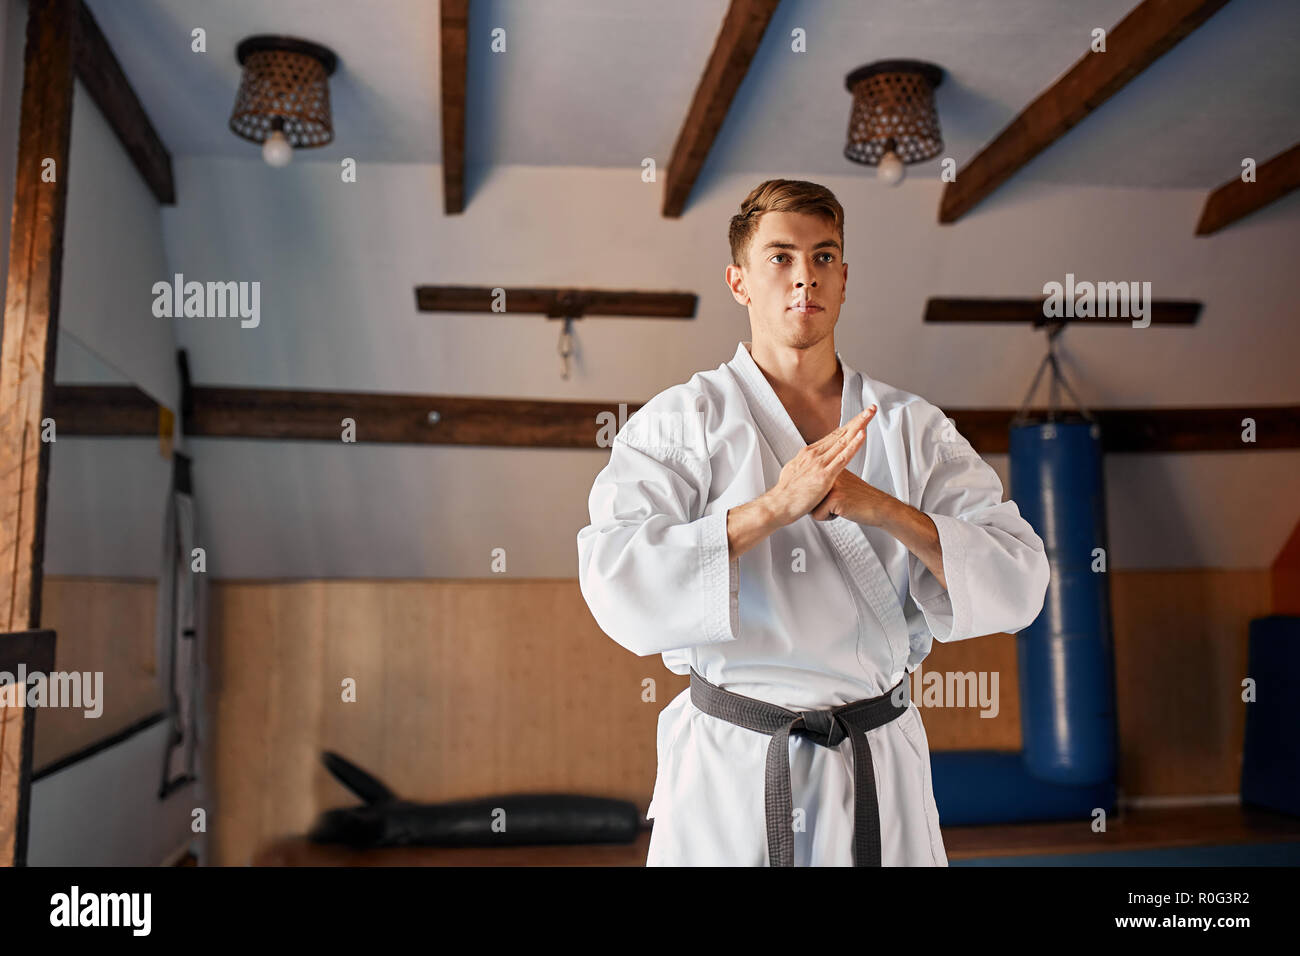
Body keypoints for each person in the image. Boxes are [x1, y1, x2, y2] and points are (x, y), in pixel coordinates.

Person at [576, 179, 1050, 866]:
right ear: (738, 280)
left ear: (846, 278)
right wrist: (773, 509)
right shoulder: (680, 423)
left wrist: (880, 508)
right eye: (780, 258)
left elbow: (1020, 578)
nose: (805, 277)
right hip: (734, 764)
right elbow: (617, 582)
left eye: (824, 257)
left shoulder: (913, 428)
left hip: (875, 758)